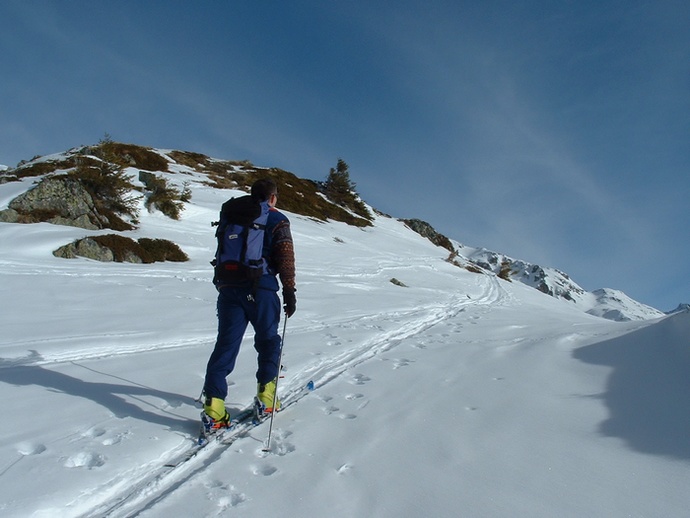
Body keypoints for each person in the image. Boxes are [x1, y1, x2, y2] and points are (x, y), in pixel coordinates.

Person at [202, 178, 296, 430]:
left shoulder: (234, 215)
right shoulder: (276, 219)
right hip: (261, 288)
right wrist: (289, 291)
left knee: (226, 345)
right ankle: (266, 399)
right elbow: (285, 256)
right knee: (267, 341)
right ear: (273, 197)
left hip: (229, 287)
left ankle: (213, 408)